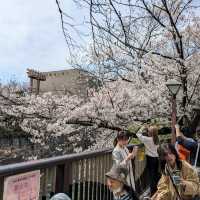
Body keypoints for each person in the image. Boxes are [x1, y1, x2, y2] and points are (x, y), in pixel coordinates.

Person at [136, 125, 160, 196]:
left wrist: (143, 127)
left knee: (151, 176)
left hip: (150, 159)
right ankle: (156, 190)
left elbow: (138, 134)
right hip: (156, 159)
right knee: (155, 175)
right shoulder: (157, 139)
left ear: (150, 133)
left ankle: (152, 193)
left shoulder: (148, 139)